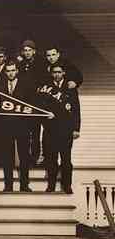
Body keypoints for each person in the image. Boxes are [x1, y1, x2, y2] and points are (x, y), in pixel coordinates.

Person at [37, 63, 81, 194]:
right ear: (52, 74)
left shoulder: (70, 88)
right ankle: (51, 185)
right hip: (50, 130)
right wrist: (46, 117)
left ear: (63, 73)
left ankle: (67, 185)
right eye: (54, 72)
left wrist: (76, 128)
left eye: (59, 72)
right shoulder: (46, 88)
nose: (57, 74)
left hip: (66, 130)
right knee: (51, 159)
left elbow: (76, 110)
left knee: (66, 159)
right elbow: (41, 107)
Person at [0, 61, 34, 192]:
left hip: (22, 127)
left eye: (13, 70)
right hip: (5, 128)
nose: (10, 73)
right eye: (8, 71)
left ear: (17, 71)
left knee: (24, 156)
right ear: (5, 73)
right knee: (7, 157)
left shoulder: (26, 86)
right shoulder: (0, 87)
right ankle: (8, 185)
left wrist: (29, 126)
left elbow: (31, 107)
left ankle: (24, 185)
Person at [18, 39, 45, 165]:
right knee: (24, 131)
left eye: (29, 50)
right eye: (25, 51)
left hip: (36, 101)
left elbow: (44, 80)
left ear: (34, 51)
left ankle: (35, 156)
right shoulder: (21, 64)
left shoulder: (41, 63)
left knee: (35, 131)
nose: (27, 53)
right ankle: (26, 158)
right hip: (24, 102)